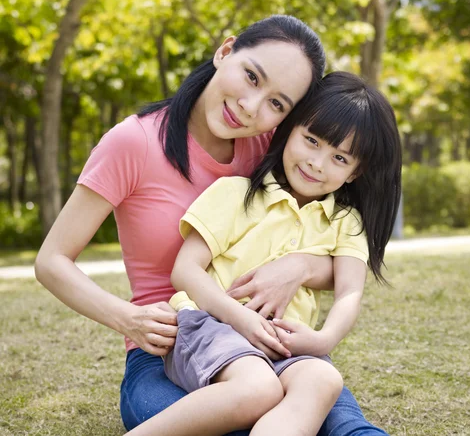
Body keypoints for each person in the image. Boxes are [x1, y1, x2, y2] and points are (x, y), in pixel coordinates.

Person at [34, 15, 390, 434]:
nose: (251, 107)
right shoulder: (133, 143)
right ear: (226, 51)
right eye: (252, 77)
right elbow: (51, 260)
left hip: (267, 342)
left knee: (335, 416)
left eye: (278, 104)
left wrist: (298, 267)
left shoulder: (274, 149)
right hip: (172, 343)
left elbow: (335, 257)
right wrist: (127, 318)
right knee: (241, 415)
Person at [125, 71, 402, 436]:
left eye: (339, 158)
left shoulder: (345, 222)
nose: (318, 163)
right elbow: (186, 270)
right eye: (311, 140)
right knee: (258, 388)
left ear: (355, 172)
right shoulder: (238, 194)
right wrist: (240, 318)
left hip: (282, 342)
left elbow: (350, 291)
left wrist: (323, 340)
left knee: (323, 378)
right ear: (289, 131)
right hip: (212, 325)